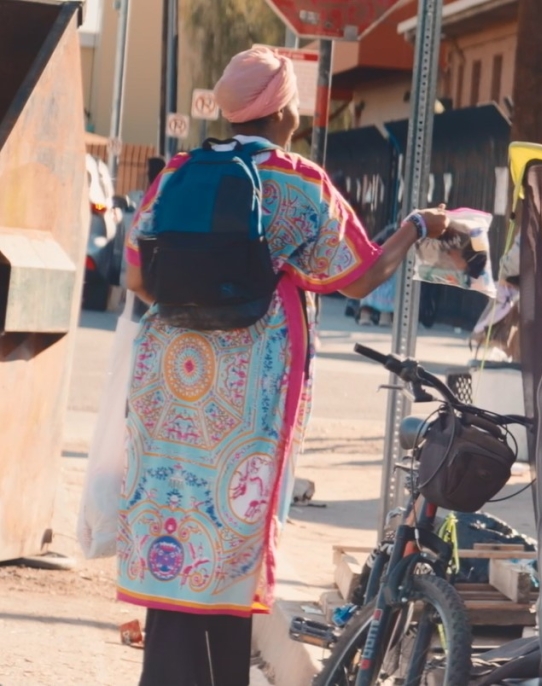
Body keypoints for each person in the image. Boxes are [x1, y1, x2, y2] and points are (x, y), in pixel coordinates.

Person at [119, 46, 449, 686]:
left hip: (167, 391)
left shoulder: (177, 172)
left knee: (175, 540)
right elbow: (359, 277)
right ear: (283, 109)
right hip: (248, 400)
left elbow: (137, 275)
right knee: (230, 547)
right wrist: (416, 225)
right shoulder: (296, 182)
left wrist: (197, 312)